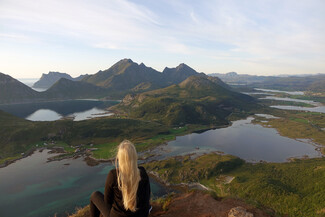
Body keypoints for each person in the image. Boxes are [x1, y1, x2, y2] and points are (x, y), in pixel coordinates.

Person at [90, 140, 151, 217]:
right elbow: (147, 196)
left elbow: (107, 201)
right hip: (141, 214)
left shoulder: (114, 175)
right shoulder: (142, 172)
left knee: (94, 195)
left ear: (120, 158)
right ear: (134, 156)